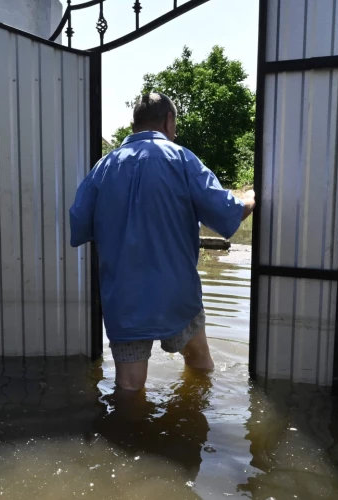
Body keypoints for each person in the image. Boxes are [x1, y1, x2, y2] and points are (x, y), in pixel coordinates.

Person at [69, 92, 256, 392]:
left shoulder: (103, 168)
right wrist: (249, 200)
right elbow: (224, 215)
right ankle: (193, 422)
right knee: (200, 364)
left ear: (134, 124)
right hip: (177, 297)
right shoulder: (182, 160)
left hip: (124, 301)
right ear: (169, 121)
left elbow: (78, 227)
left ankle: (127, 436)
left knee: (129, 386)